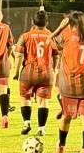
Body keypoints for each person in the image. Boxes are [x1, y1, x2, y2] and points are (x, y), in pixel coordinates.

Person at [55, 11, 84, 153]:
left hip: (69, 84)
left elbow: (51, 41)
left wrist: (60, 28)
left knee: (66, 116)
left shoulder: (66, 35)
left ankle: (61, 145)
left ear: (70, 23)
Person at [13, 9, 59, 137]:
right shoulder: (51, 36)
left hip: (28, 72)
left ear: (32, 21)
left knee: (25, 98)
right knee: (43, 101)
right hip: (46, 73)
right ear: (47, 22)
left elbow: (18, 55)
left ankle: (26, 123)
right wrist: (54, 69)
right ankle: (41, 128)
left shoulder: (25, 36)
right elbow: (56, 55)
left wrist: (16, 72)